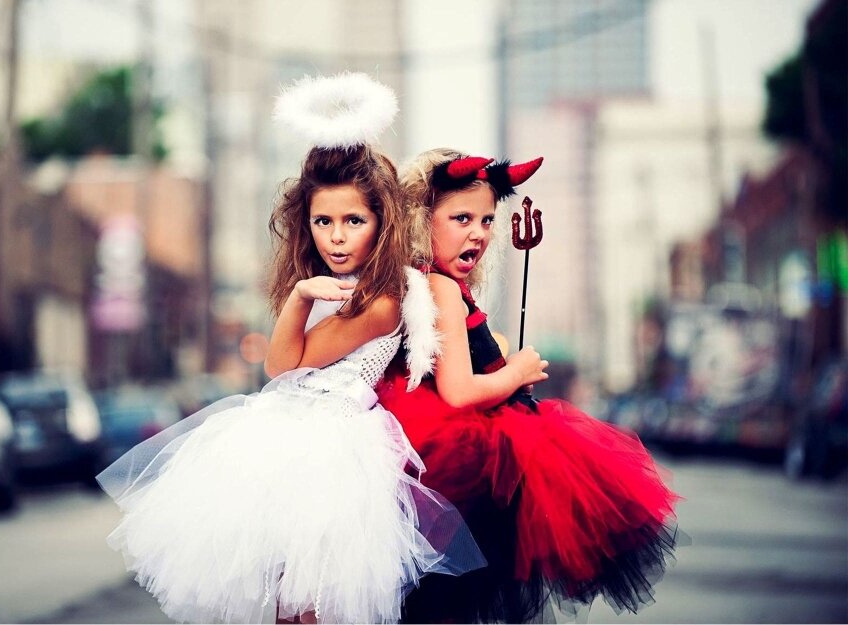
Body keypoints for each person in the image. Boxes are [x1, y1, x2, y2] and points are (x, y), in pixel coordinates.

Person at [96, 78, 484, 625]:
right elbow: (281, 367)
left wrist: (300, 298)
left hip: (336, 449)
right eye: (323, 221)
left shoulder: (383, 301)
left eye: (354, 220)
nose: (336, 237)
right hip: (284, 438)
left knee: (315, 603)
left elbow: (283, 363)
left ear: (382, 224)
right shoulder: (331, 285)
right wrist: (303, 294)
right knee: (283, 600)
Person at [376, 148, 682, 623]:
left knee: (445, 596)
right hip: (463, 460)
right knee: (448, 597)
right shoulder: (440, 288)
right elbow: (458, 392)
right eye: (461, 218)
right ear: (420, 219)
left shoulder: (433, 285)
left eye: (486, 220)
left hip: (452, 459)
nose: (478, 232)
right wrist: (517, 371)